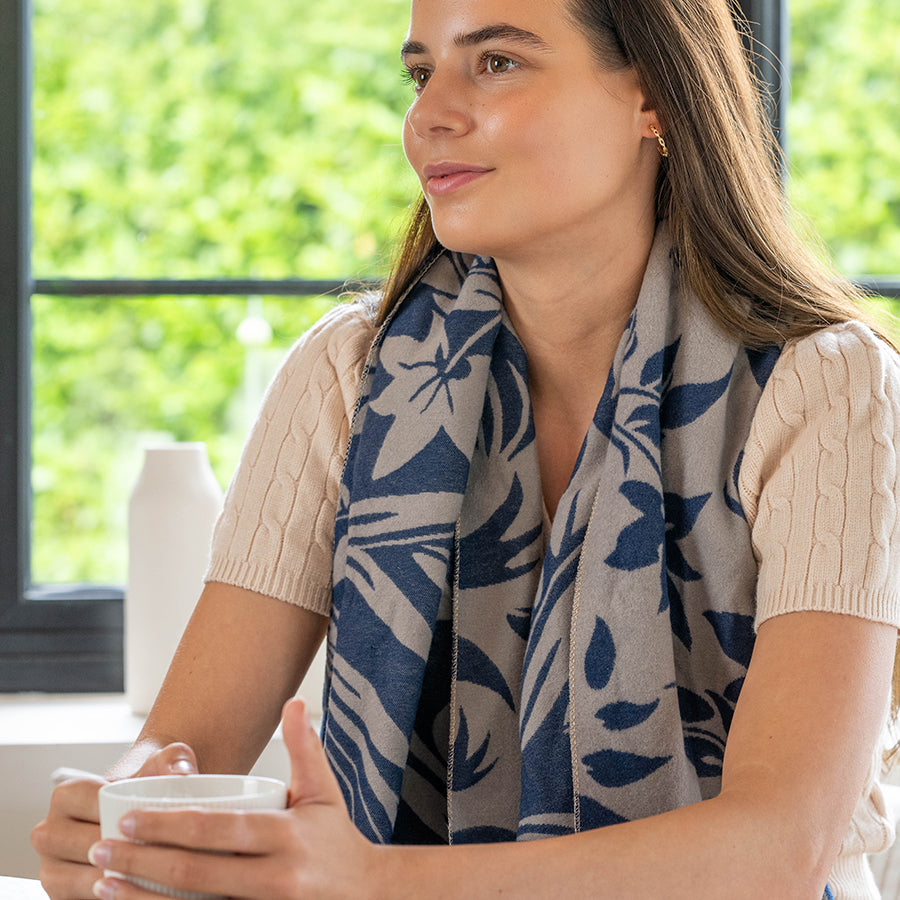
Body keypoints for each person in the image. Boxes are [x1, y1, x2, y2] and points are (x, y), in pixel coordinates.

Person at [31, 0, 900, 897]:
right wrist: (126, 815)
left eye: (495, 64)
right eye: (421, 72)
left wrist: (371, 880)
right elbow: (188, 747)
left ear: (656, 98)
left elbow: (783, 845)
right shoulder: (346, 374)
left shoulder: (827, 387)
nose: (427, 117)